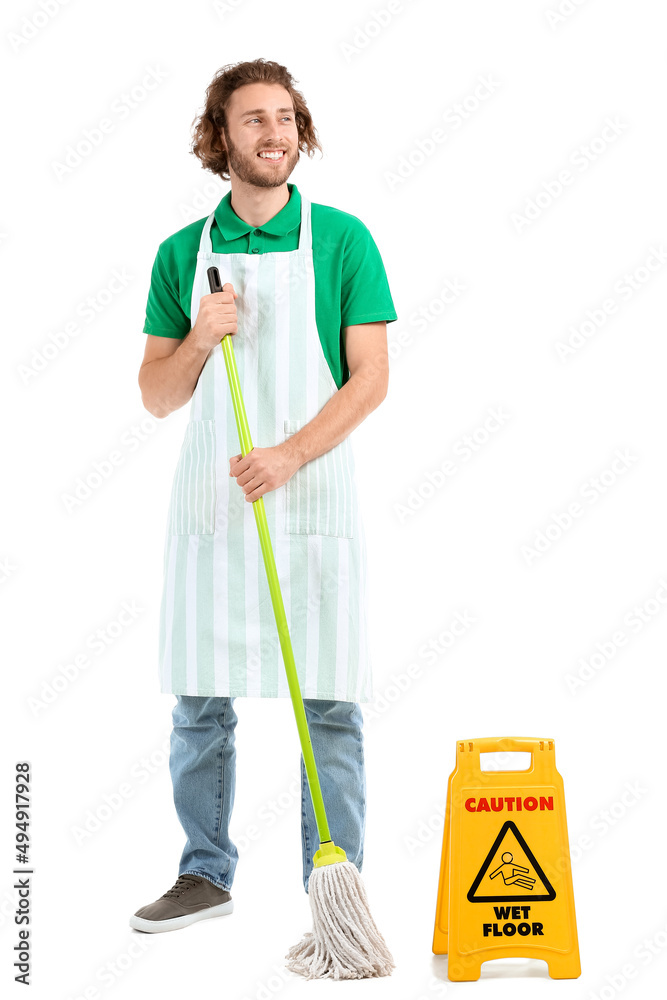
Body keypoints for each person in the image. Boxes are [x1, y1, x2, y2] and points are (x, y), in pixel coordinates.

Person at [130, 57, 397, 933]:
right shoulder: (183, 254)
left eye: (285, 117)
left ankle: (337, 889)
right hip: (216, 510)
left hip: (310, 501)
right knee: (200, 703)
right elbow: (157, 395)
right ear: (219, 137)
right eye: (253, 119)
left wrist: (287, 455)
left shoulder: (345, 241)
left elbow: (369, 381)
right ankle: (204, 874)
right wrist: (201, 340)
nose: (274, 133)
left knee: (329, 701)